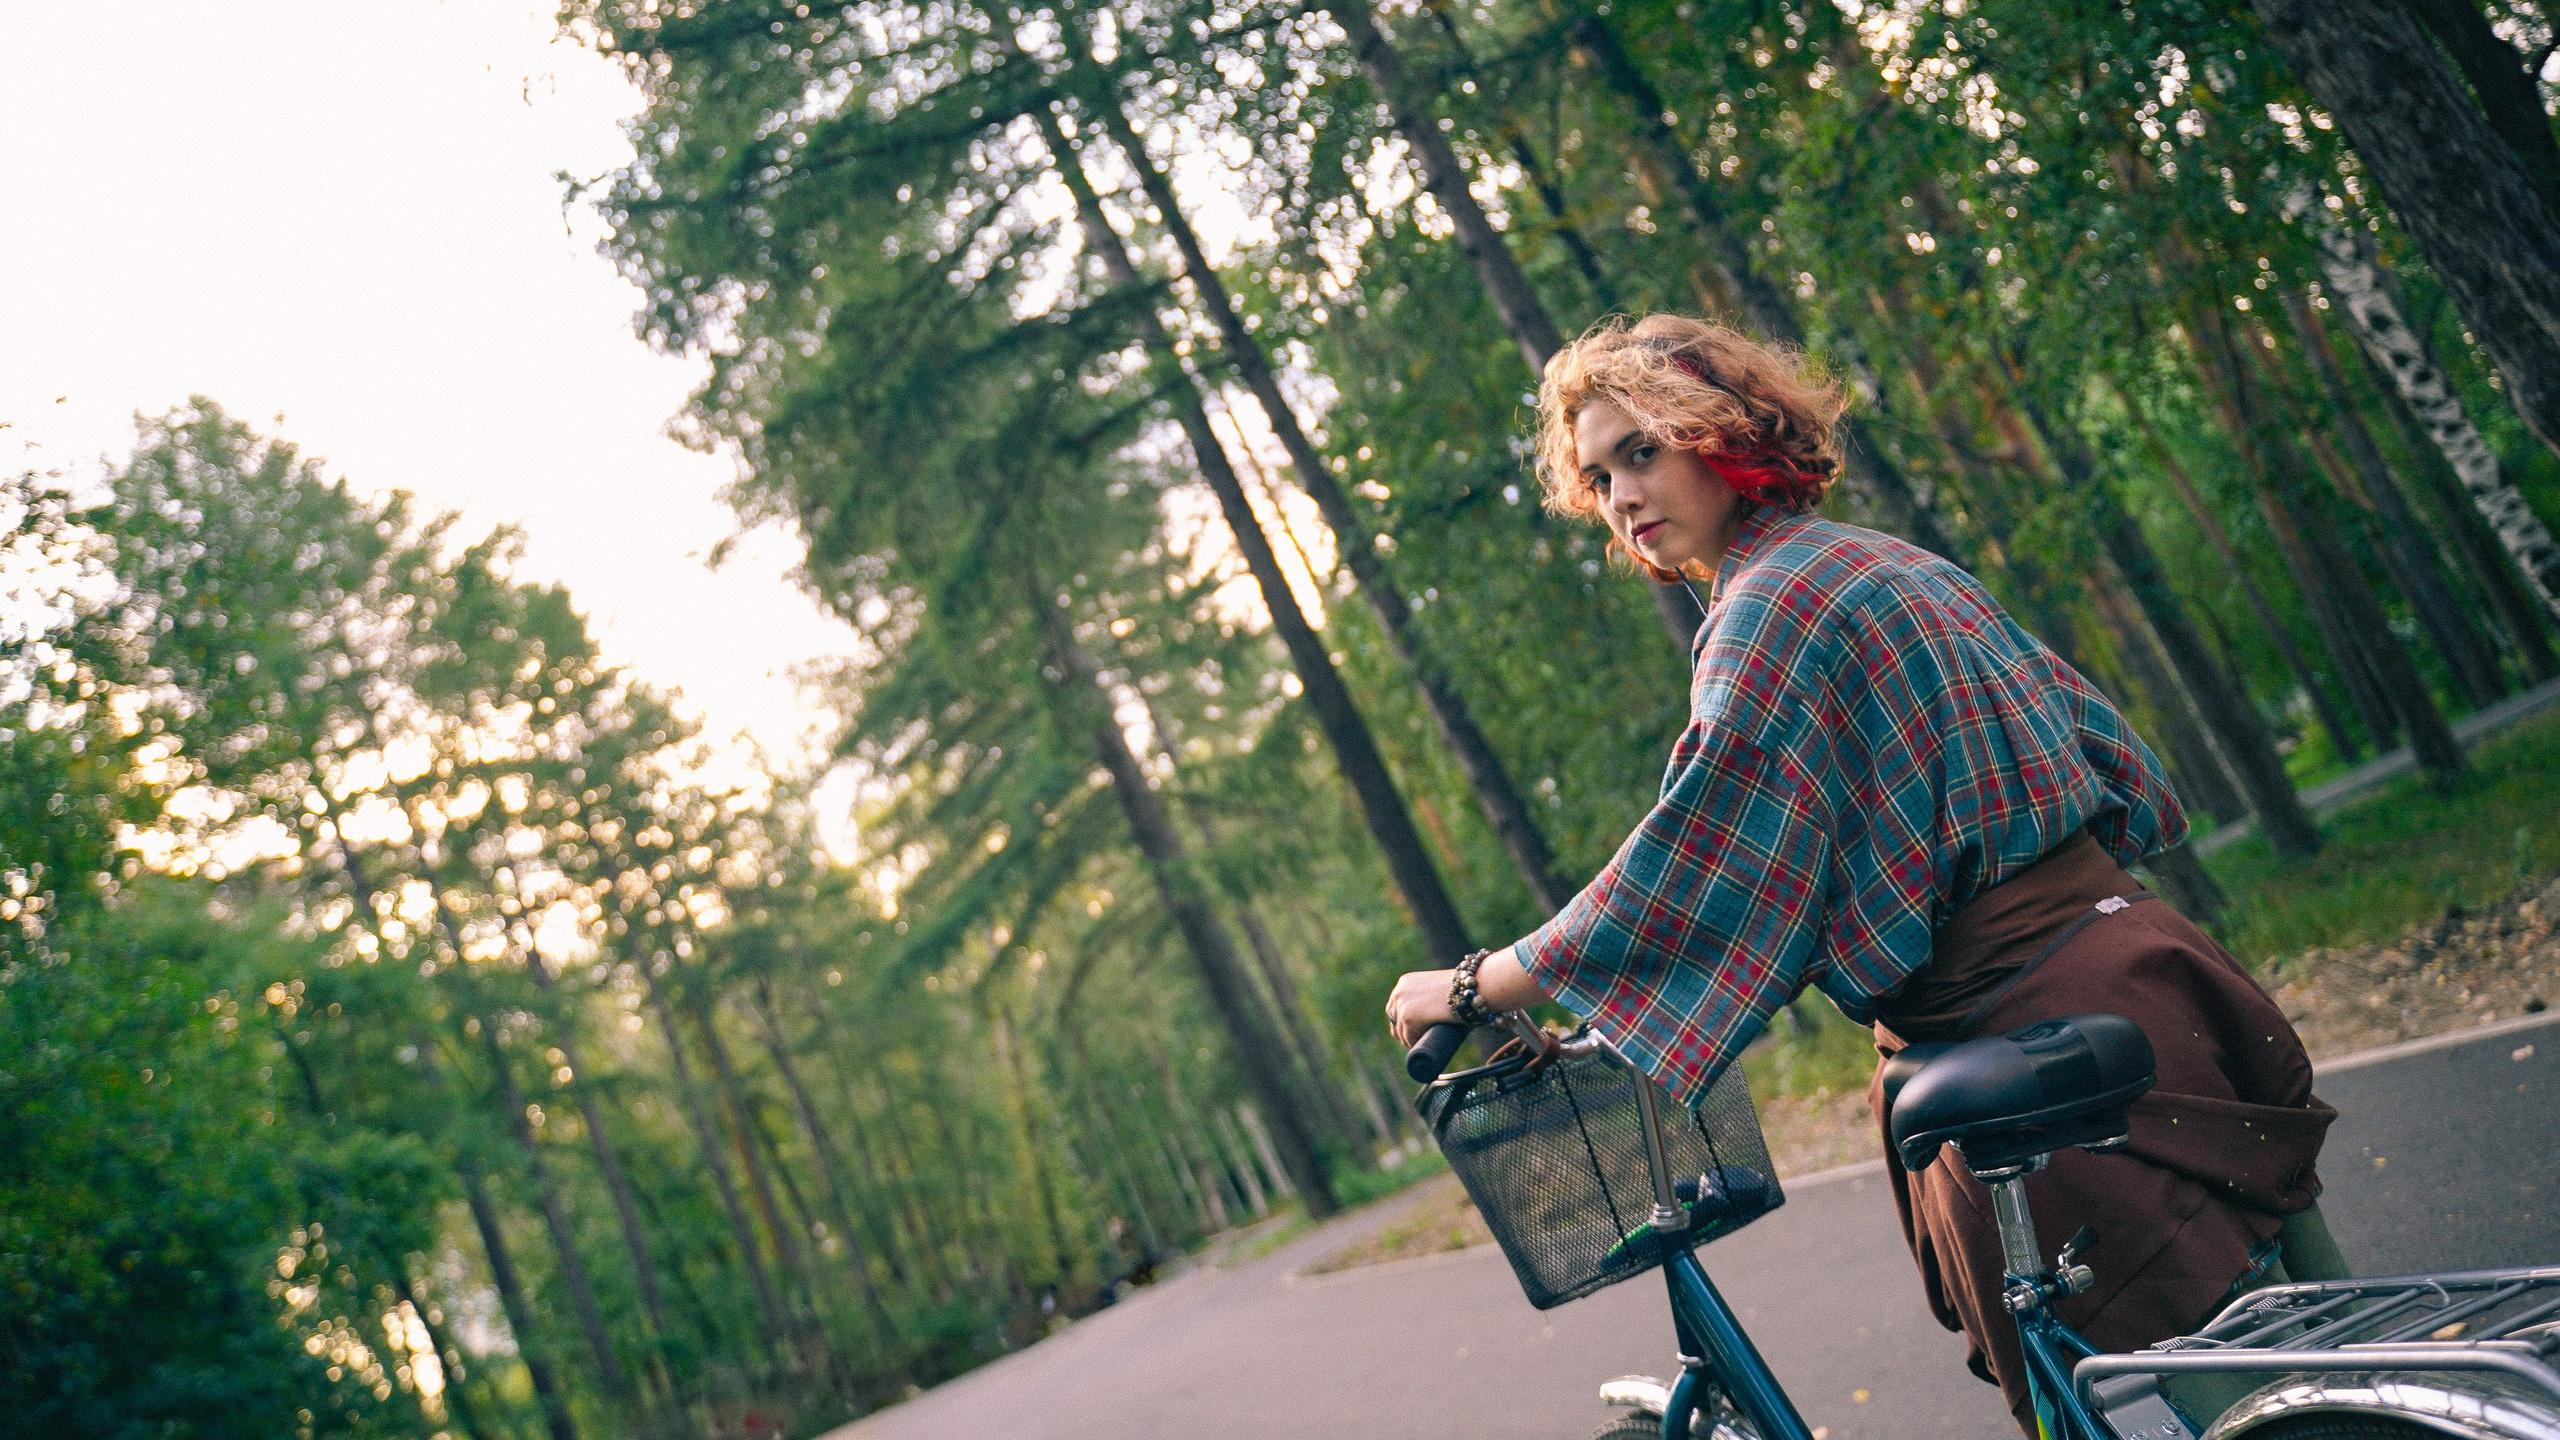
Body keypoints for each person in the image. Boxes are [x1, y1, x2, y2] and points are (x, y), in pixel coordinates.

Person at [1382, 314, 2344, 1437]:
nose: (1621, 497)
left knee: (2230, 1401)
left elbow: (1698, 857)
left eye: (1642, 452)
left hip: (2021, 1021)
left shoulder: (1768, 607)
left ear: (1721, 433)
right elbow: (2104, 750)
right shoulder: (1876, 557)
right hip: (2152, 970)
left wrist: (1478, 983)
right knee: (2326, 1341)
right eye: (1597, 478)